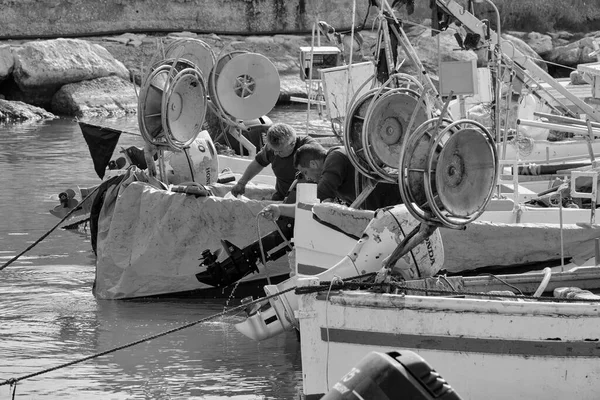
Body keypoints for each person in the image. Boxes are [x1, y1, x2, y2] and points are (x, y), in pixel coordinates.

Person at [259, 142, 403, 220]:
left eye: (305, 172)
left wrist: (281, 209)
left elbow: (316, 201)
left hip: (397, 203)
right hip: (388, 208)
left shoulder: (334, 159)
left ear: (314, 164)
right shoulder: (338, 153)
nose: (307, 178)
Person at [231, 123, 316, 201]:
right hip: (281, 197)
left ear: (292, 144)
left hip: (308, 199)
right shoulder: (271, 148)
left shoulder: (309, 147)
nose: (275, 153)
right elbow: (258, 163)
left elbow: (324, 167)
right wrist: (241, 183)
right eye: (274, 150)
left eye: (280, 151)